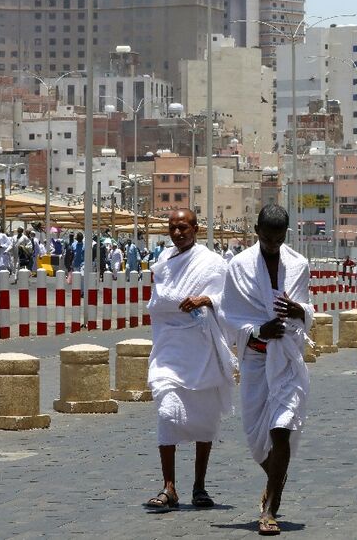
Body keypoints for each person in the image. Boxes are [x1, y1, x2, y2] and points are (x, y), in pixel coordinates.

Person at [219, 204, 312, 535]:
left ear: (286, 234)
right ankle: (275, 475)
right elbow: (229, 315)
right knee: (258, 441)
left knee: (281, 428)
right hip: (256, 361)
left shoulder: (299, 264)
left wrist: (299, 310)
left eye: (279, 238)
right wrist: (259, 330)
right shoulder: (239, 267)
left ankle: (270, 508)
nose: (273, 243)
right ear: (257, 231)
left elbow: (306, 309)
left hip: (287, 360)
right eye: (267, 237)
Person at [144, 209, 237, 512]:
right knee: (168, 412)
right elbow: (158, 303)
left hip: (202, 348)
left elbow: (229, 299)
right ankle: (169, 487)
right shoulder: (164, 262)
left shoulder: (212, 264)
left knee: (204, 421)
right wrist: (175, 302)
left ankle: (199, 486)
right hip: (170, 347)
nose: (177, 233)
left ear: (196, 228)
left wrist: (206, 300)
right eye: (172, 228)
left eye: (183, 227)